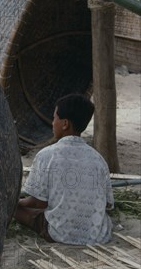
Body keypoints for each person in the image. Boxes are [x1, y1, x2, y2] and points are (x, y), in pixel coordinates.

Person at [14, 94, 114, 244]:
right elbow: (107, 203)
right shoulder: (98, 159)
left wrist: (17, 203)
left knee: (17, 210)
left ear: (65, 124)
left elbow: (38, 203)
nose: (53, 123)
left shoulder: (47, 155)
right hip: (97, 235)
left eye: (55, 118)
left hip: (60, 233)